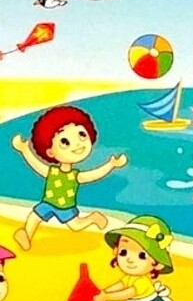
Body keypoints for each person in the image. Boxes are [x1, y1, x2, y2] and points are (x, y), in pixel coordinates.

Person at [12, 104, 127, 251]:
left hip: (66, 207)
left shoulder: (75, 176)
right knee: (34, 216)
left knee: (76, 226)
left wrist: (111, 165)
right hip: (48, 203)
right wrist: (25, 150)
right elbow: (36, 165)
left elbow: (93, 175)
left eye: (82, 134)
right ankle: (26, 236)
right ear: (50, 152)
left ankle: (93, 218)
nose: (77, 143)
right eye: (65, 142)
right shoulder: (52, 172)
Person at [94, 214, 192, 301]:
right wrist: (104, 291)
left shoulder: (142, 282)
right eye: (123, 252)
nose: (130, 260)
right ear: (116, 251)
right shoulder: (130, 277)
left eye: (141, 256)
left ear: (157, 263)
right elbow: (121, 285)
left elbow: (128, 293)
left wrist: (107, 296)